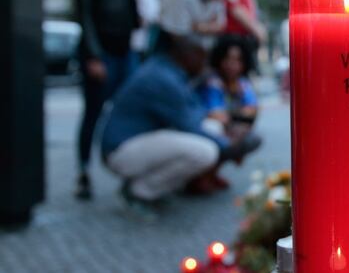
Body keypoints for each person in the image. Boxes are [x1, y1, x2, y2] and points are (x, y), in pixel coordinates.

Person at [100, 32, 261, 219]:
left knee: (212, 130)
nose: (204, 65)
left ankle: (157, 187)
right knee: (205, 151)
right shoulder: (162, 79)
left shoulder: (166, 70)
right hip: (121, 151)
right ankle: (139, 192)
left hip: (134, 142)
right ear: (188, 56)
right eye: (202, 58)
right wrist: (229, 144)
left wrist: (225, 134)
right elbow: (190, 124)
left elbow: (196, 115)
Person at [73, 0, 139, 200]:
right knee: (93, 113)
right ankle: (83, 172)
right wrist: (93, 55)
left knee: (127, 111)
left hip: (125, 51)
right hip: (102, 53)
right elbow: (85, 15)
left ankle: (129, 169)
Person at [196, 37, 260, 187]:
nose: (232, 65)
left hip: (229, 129)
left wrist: (231, 118)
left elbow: (252, 110)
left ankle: (211, 174)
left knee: (250, 137)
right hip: (205, 131)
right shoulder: (211, 80)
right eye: (228, 59)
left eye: (238, 60)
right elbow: (214, 114)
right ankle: (202, 176)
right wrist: (238, 117)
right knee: (218, 130)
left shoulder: (242, 84)